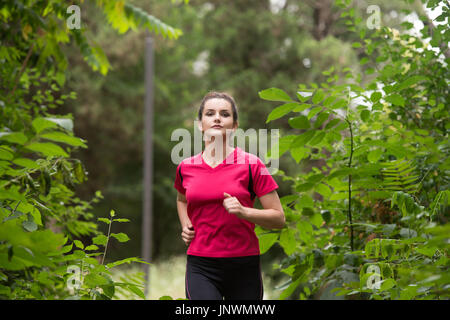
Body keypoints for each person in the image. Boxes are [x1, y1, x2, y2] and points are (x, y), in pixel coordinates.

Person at [173, 91, 285, 300]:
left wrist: (244, 212)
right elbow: (181, 199)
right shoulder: (185, 168)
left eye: (224, 114)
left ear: (234, 126)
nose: (217, 118)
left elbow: (279, 218)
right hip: (201, 264)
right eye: (210, 113)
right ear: (200, 124)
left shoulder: (253, 165)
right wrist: (185, 224)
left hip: (244, 263)